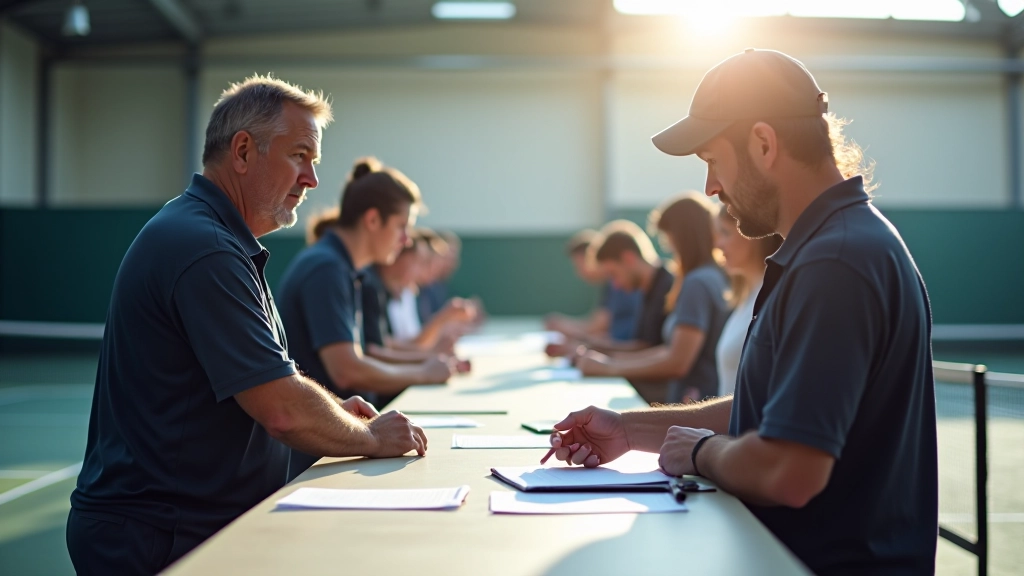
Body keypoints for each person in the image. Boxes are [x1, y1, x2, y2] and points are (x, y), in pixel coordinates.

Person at [548, 49, 937, 576]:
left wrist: (705, 452)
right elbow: (772, 412)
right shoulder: (833, 246)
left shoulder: (835, 261)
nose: (710, 187)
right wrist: (628, 429)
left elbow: (788, 471)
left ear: (763, 143)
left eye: (711, 161)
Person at [67, 75, 428, 575]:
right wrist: (372, 438)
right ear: (242, 152)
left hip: (177, 528)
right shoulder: (206, 247)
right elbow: (280, 408)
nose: (312, 179)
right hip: (159, 539)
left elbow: (267, 387)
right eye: (300, 155)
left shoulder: (211, 237)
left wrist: (334, 416)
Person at [277, 157, 457, 477]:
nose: (406, 240)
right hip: (314, 459)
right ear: (372, 220)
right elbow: (346, 371)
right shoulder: (327, 267)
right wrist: (423, 372)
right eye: (402, 227)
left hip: (333, 449)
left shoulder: (341, 266)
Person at [576, 194, 731, 404]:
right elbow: (667, 351)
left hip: (694, 404)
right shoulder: (710, 277)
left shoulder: (697, 283)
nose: (668, 248)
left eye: (669, 239)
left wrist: (609, 367)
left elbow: (677, 362)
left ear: (682, 238)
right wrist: (608, 360)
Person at [713, 206, 782, 396]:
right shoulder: (747, 296)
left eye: (725, 233)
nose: (718, 245)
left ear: (752, 234)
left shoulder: (773, 297)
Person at [545, 229, 642, 343]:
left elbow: (598, 327)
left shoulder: (621, 283)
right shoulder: (612, 283)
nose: (579, 273)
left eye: (579, 266)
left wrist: (565, 327)